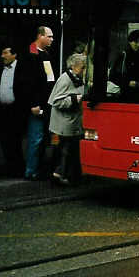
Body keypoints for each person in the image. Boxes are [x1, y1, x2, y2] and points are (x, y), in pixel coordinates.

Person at [0, 44, 38, 177]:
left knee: (15, 141)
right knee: (4, 140)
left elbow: (27, 90)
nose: (2, 56)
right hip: (2, 111)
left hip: (16, 111)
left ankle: (18, 168)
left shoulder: (22, 69)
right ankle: (9, 167)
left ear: (14, 55)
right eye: (2, 53)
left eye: (6, 53)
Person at [48, 53, 87, 185]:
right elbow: (56, 101)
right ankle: (59, 176)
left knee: (68, 150)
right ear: (74, 67)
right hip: (63, 124)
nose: (84, 70)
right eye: (82, 67)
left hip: (71, 122)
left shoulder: (76, 78)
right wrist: (74, 99)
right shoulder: (65, 79)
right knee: (64, 151)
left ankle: (66, 175)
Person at [26, 25, 56, 180]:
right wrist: (34, 103)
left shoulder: (45, 54)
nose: (52, 39)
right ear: (40, 36)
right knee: (36, 138)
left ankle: (38, 170)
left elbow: (49, 79)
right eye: (49, 36)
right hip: (38, 104)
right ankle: (31, 171)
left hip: (46, 103)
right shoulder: (32, 53)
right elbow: (30, 83)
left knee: (42, 138)